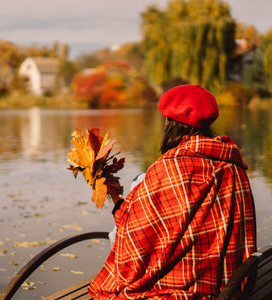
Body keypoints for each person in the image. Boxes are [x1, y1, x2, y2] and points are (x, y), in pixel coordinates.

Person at [89, 84, 256, 299]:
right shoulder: (233, 164)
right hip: (230, 286)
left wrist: (116, 198)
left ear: (170, 123)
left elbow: (136, 242)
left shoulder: (170, 167)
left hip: (182, 287)